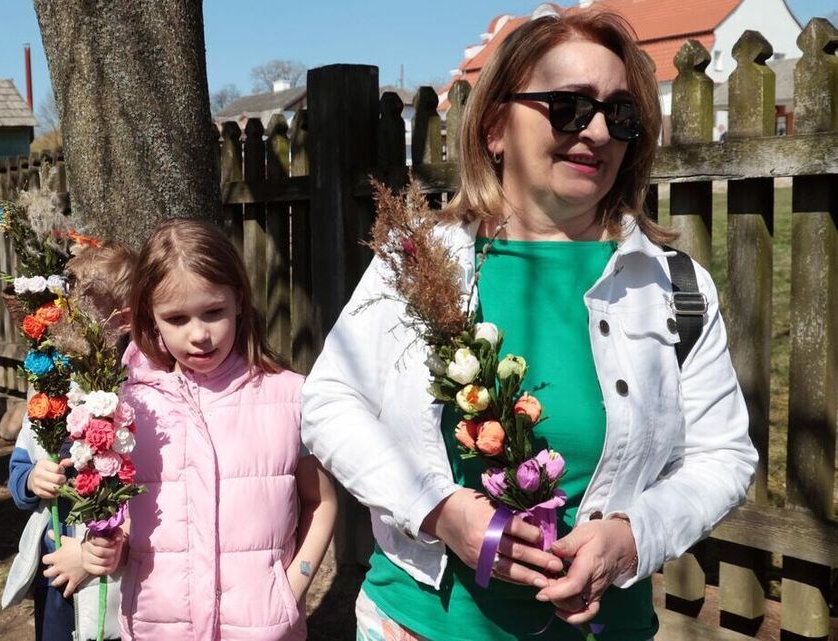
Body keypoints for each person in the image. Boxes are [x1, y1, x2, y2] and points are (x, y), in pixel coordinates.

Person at [301, 10, 758, 641]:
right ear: (494, 127)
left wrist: (630, 539)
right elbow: (330, 401)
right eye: (567, 106)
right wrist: (438, 509)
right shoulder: (419, 264)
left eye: (620, 114)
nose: (596, 131)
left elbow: (723, 455)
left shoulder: (670, 287)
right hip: (422, 626)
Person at [83, 218, 337, 640]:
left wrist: (292, 588)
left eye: (213, 312)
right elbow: (129, 519)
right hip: (157, 628)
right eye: (177, 318)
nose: (199, 334)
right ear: (150, 319)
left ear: (239, 300)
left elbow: (321, 502)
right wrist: (109, 548)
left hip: (261, 630)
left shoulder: (289, 398)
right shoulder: (129, 406)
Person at [1, 240, 137, 641]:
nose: (64, 319)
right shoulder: (53, 387)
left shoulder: (136, 393)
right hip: (55, 560)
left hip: (108, 566)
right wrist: (31, 481)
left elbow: (145, 493)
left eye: (81, 310)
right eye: (66, 306)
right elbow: (20, 464)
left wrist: (88, 556)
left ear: (123, 319)